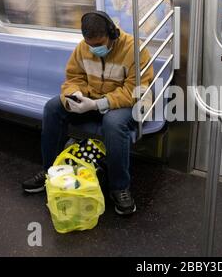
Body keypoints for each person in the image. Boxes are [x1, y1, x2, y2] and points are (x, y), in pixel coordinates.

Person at [22, 11, 153, 215]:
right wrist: (74, 95)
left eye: (99, 44)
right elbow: (73, 77)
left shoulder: (135, 49)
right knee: (53, 108)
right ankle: (51, 172)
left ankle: (120, 187)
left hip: (124, 104)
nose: (94, 49)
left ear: (112, 34)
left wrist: (97, 104)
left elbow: (135, 90)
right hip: (90, 99)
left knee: (113, 123)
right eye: (90, 45)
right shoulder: (84, 47)